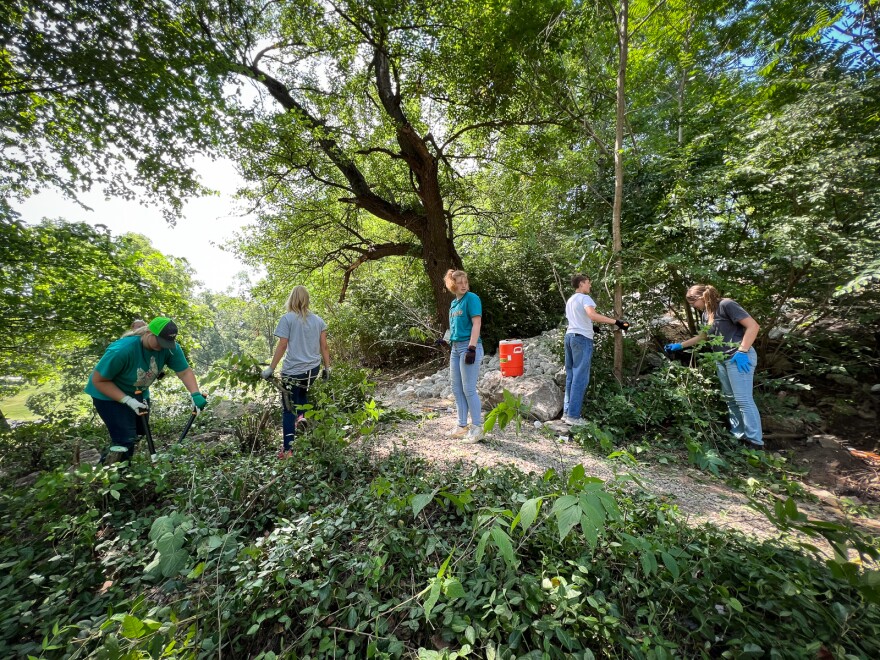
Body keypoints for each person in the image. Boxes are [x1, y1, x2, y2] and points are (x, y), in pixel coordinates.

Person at [85, 317, 208, 463]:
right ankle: (112, 474)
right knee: (125, 438)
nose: (162, 347)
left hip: (138, 392)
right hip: (107, 395)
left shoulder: (169, 348)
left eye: (167, 343)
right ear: (148, 333)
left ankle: (116, 460)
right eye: (160, 342)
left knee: (139, 432)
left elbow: (184, 372)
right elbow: (99, 380)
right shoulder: (122, 350)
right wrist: (127, 400)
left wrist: (195, 394)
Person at [665, 284, 763, 449]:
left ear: (701, 298)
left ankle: (755, 442)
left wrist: (742, 351)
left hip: (739, 358)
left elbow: (753, 326)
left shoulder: (726, 305)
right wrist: (680, 345)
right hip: (722, 360)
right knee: (730, 400)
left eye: (693, 303)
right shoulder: (706, 314)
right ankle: (738, 436)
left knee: (743, 400)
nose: (693, 307)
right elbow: (703, 336)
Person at [261, 285, 331, 458]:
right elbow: (324, 346)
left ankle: (288, 450)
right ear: (307, 300)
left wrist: (271, 368)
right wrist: (327, 368)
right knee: (302, 393)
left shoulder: (287, 319)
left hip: (293, 371)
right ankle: (302, 420)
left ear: (292, 299)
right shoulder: (318, 321)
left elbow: (283, 345)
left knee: (287, 409)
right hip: (312, 370)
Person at [563, 274, 630, 426]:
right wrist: (617, 322)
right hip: (582, 339)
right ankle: (573, 417)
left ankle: (566, 413)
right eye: (588, 283)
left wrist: (591, 327)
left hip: (570, 337)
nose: (590, 286)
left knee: (571, 375)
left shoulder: (571, 300)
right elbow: (592, 315)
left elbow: (577, 318)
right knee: (580, 377)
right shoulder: (585, 298)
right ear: (581, 284)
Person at [442, 269, 485, 442]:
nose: (463, 285)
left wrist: (472, 348)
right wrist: (445, 338)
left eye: (465, 282)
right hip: (455, 348)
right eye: (459, 283)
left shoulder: (472, 298)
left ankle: (477, 427)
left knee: (469, 389)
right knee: (456, 388)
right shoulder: (454, 304)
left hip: (469, 346)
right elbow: (454, 326)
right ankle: (461, 426)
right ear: (452, 285)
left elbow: (476, 323)